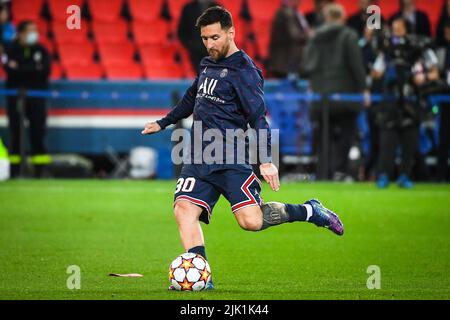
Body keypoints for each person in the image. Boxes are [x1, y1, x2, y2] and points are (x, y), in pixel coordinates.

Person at [142, 6, 344, 290]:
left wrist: (265, 161)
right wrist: (164, 122)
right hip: (199, 157)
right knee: (184, 209)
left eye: (214, 37)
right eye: (204, 39)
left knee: (251, 220)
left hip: (231, 157)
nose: (209, 44)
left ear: (231, 32)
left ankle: (310, 211)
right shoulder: (207, 64)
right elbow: (192, 98)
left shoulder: (245, 71)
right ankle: (202, 277)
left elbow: (257, 118)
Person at [303, 3, 369, 181]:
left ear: (326, 18)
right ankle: (341, 172)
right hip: (345, 95)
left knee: (324, 135)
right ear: (343, 17)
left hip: (321, 95)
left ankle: (323, 172)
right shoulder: (349, 35)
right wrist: (364, 89)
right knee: (347, 134)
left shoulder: (315, 37)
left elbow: (307, 65)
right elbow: (356, 65)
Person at [372, 17, 439, 188]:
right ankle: (384, 176)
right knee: (387, 141)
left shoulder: (418, 49)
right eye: (394, 28)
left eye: (400, 28)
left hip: (411, 99)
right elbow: (376, 72)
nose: (397, 31)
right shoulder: (387, 51)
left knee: (410, 141)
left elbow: (434, 73)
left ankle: (404, 176)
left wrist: (421, 77)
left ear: (407, 30)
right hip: (391, 100)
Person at [3, 20, 51, 177]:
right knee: (15, 132)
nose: (33, 34)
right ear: (21, 33)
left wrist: (20, 68)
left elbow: (44, 71)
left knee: (38, 131)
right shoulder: (11, 50)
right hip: (15, 97)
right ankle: (15, 170)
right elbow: (10, 71)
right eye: (30, 31)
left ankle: (40, 170)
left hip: (37, 97)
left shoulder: (41, 50)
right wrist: (33, 69)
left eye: (35, 30)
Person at [266, 0, 310, 78]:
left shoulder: (288, 12)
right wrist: (310, 35)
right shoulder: (287, 13)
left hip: (284, 61)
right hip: (286, 62)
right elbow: (295, 35)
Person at [177, 0, 219, 71]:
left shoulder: (218, 8)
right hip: (195, 52)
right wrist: (191, 46)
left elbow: (224, 30)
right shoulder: (188, 8)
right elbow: (181, 32)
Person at [435, 18, 450, 182]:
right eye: (446, 32)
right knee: (443, 138)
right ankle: (440, 175)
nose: (447, 35)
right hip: (444, 99)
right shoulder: (442, 50)